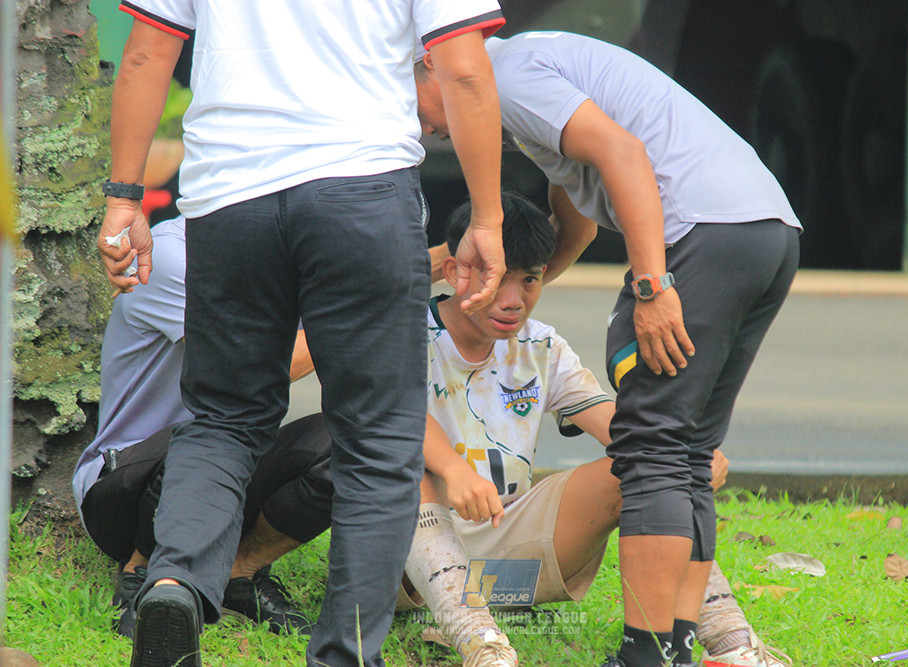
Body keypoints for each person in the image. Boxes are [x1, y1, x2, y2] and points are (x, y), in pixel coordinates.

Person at [95, 3, 508, 666]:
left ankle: (173, 582)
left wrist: (123, 197)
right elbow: (462, 70)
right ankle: (344, 655)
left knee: (223, 418)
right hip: (362, 192)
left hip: (229, 199)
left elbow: (148, 53)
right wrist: (487, 214)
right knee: (377, 440)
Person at [415, 32, 801, 667]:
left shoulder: (505, 78)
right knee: (675, 450)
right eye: (494, 274)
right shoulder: (410, 328)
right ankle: (665, 650)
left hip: (702, 232)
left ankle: (660, 652)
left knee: (654, 450)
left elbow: (621, 153)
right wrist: (509, 286)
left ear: (434, 62)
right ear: (457, 271)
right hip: (765, 230)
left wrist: (652, 282)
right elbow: (577, 208)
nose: (429, 129)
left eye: (419, 109)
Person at [74, 216, 333, 638]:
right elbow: (257, 372)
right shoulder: (168, 256)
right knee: (205, 438)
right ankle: (142, 573)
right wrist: (356, 316)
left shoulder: (280, 256)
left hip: (228, 478)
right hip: (128, 483)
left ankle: (239, 572)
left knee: (348, 444)